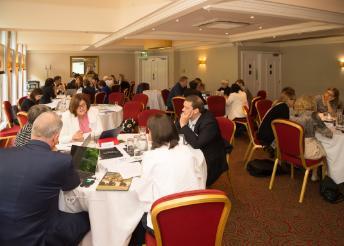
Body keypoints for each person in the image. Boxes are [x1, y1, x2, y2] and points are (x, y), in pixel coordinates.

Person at [0, 111, 90, 245]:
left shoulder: (3, 154)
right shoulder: (62, 161)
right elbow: (71, 187)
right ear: (55, 138)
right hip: (36, 238)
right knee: (88, 216)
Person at [136, 114, 206, 230]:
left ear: (154, 134)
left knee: (136, 219)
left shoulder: (150, 157)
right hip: (192, 212)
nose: (148, 134)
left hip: (165, 222)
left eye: (149, 131)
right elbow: (200, 179)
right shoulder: (187, 151)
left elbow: (144, 195)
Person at [175, 95, 228, 186]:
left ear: (196, 111)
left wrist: (183, 125)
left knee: (184, 167)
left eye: (186, 107)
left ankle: (193, 191)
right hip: (190, 149)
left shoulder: (209, 122)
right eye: (183, 106)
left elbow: (197, 144)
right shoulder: (186, 115)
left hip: (209, 155)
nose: (183, 110)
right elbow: (176, 131)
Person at [290, 95, 333, 181]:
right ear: (312, 104)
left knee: (316, 143)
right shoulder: (313, 116)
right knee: (327, 152)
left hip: (292, 149)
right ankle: (325, 179)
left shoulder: (292, 115)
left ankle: (314, 174)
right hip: (307, 151)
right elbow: (329, 134)